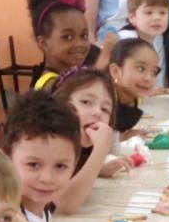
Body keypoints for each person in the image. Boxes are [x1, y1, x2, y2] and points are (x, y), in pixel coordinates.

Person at [52, 66, 133, 205]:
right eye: (86, 102)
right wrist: (100, 151)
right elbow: (65, 203)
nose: (97, 112)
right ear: (60, 104)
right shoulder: (49, 143)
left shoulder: (76, 149)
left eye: (105, 109)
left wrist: (99, 169)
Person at [2, 91, 81, 222]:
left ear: (75, 164)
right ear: (4, 161)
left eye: (60, 166)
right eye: (33, 165)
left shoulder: (45, 209)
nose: (47, 178)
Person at [95, 0, 169, 87]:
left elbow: (158, 73)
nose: (157, 18)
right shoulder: (125, 40)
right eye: (149, 12)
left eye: (162, 12)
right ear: (132, 17)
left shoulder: (158, 39)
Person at [27, 0, 98, 90]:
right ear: (44, 43)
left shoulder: (72, 78)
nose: (80, 44)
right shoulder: (51, 85)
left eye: (84, 36)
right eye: (68, 37)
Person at [107, 38, 160, 135]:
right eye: (141, 69)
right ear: (115, 71)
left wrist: (122, 138)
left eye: (154, 72)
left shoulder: (132, 99)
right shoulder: (103, 101)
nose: (148, 78)